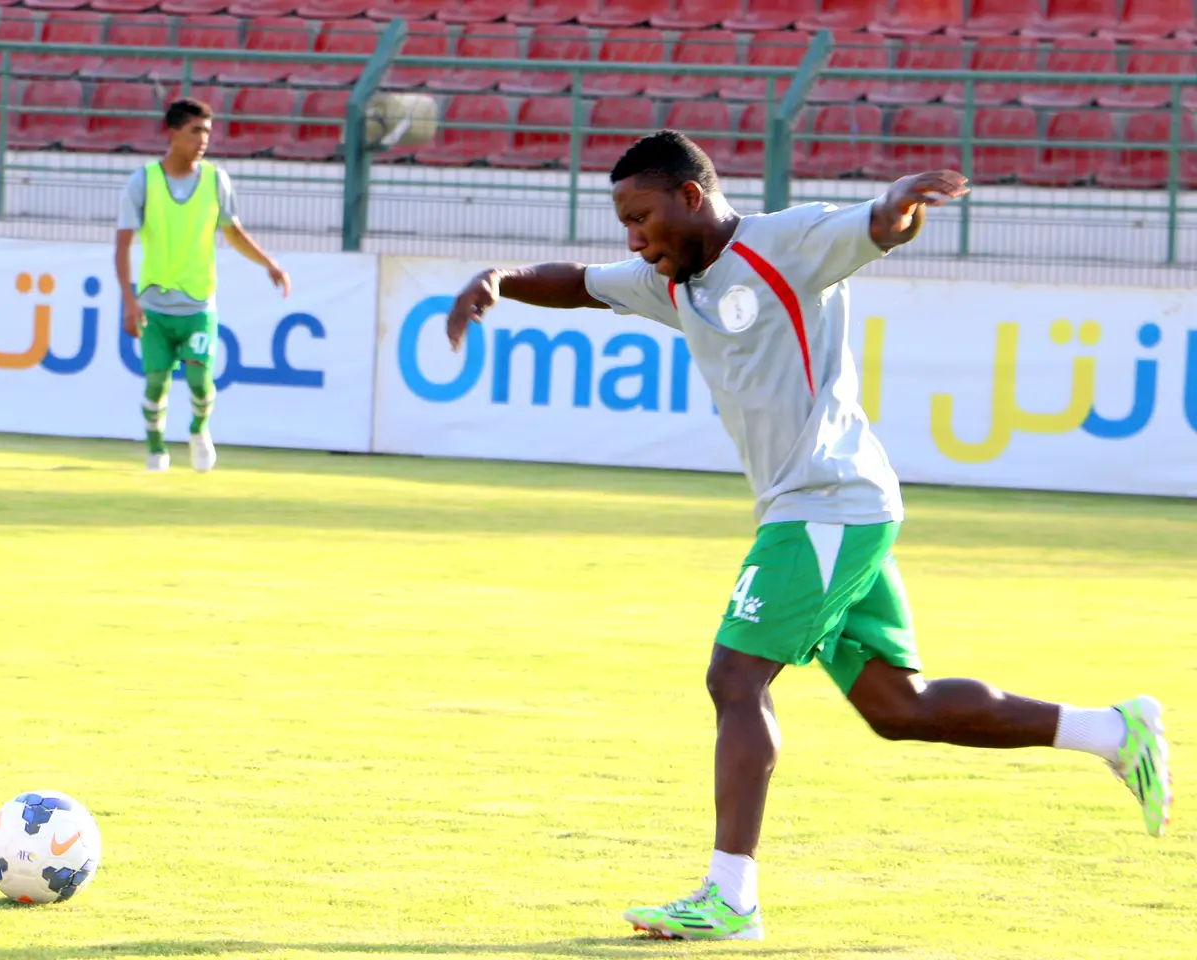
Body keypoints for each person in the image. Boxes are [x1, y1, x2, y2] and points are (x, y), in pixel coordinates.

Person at [445, 130, 1171, 942]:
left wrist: (899, 208)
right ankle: (1113, 730)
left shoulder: (787, 242)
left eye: (640, 218)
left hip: (826, 501)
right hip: (832, 507)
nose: (633, 239)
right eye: (624, 224)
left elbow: (878, 225)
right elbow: (579, 284)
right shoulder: (671, 281)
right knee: (898, 707)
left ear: (691, 197)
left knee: (735, 678)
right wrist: (498, 280)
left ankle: (731, 898)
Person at [115, 97, 290, 473]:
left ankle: (198, 430)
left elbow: (234, 232)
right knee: (156, 382)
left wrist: (269, 264)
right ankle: (156, 451)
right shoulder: (143, 181)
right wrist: (128, 300)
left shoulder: (215, 180)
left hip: (198, 304)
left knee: (199, 379)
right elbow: (122, 245)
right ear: (173, 132)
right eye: (196, 131)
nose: (204, 139)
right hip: (154, 305)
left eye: (208, 132)